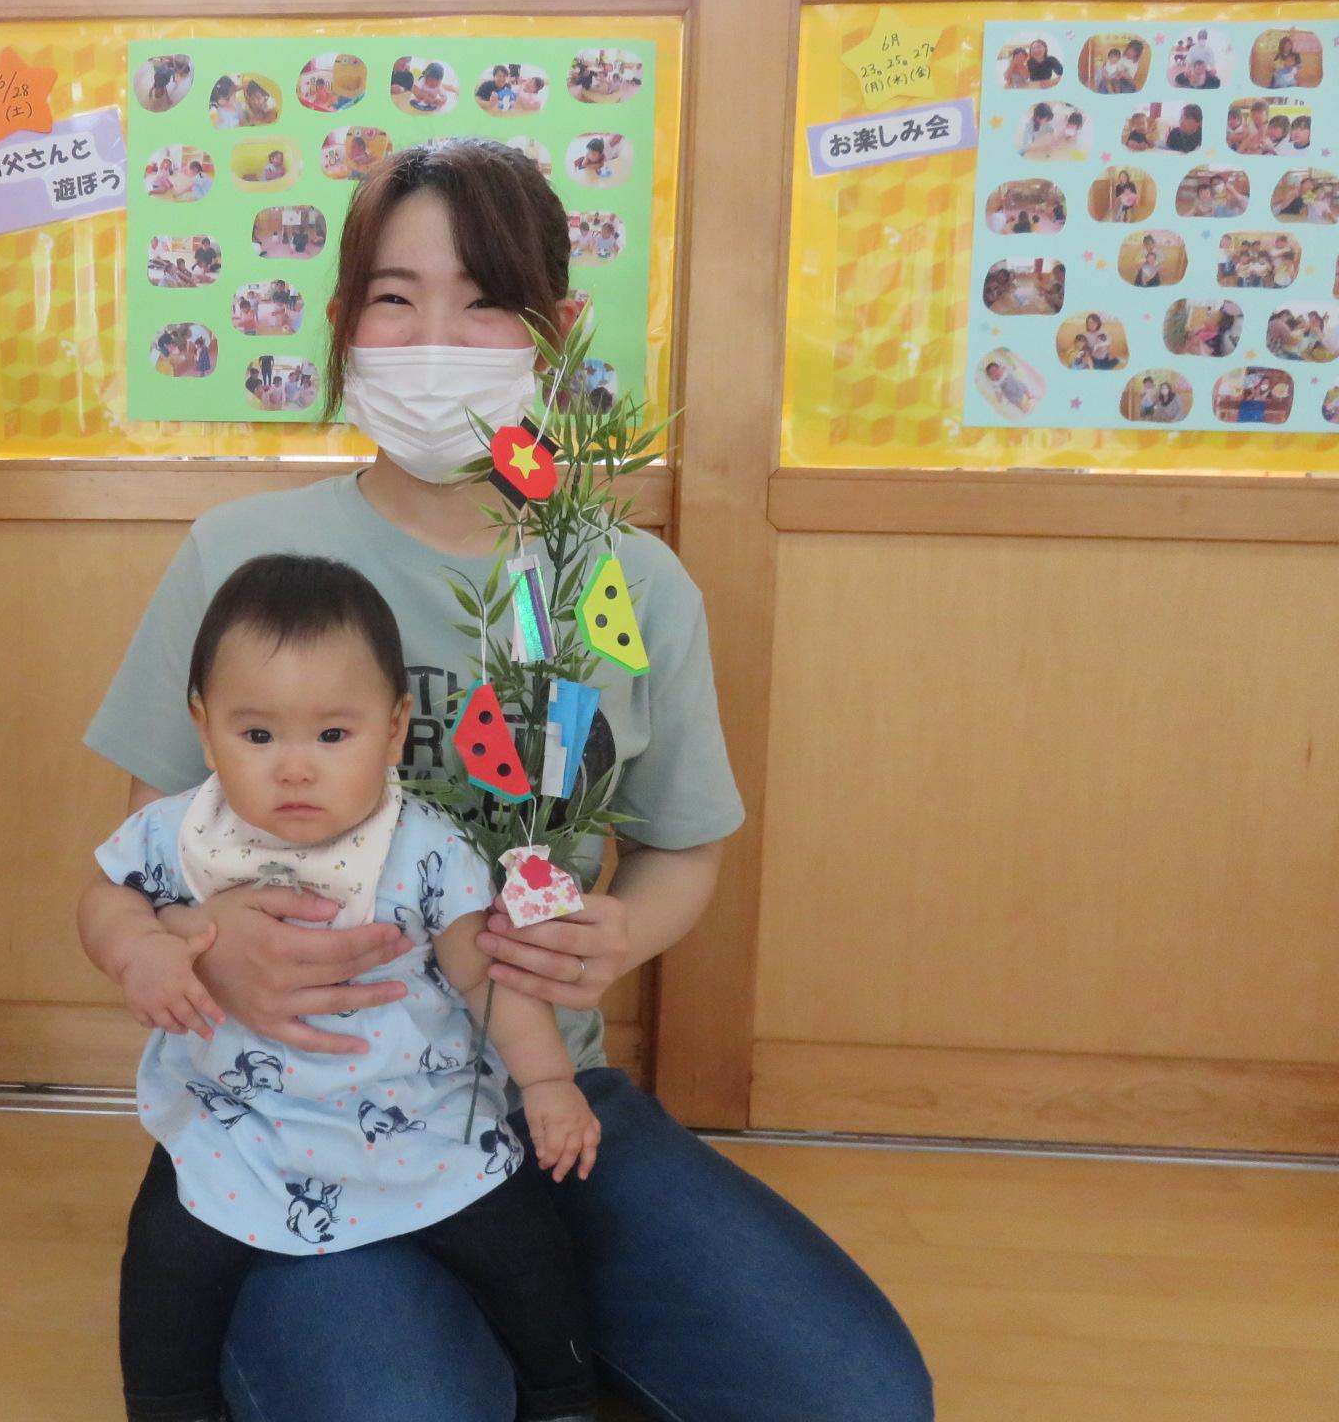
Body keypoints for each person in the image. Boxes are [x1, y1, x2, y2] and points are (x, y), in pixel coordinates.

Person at [77, 138, 933, 1422]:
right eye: (393, 296)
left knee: (856, 1400)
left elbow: (683, 843)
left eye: (484, 300)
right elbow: (145, 844)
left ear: (555, 328)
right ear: (343, 319)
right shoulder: (242, 555)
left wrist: (622, 930)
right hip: (305, 1110)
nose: (436, 338)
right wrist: (205, 945)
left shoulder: (626, 583)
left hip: (546, 1098)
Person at [95, 555, 605, 1422]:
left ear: (395, 727)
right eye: (258, 736)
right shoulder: (180, 834)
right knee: (163, 1266)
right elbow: (105, 896)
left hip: (424, 1126)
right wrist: (137, 946)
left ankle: (561, 1395)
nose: (295, 769)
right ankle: (169, 1403)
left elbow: (488, 972)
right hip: (233, 1127)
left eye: (333, 736)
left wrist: (549, 1080)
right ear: (204, 728)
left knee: (527, 1249)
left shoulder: (426, 847)